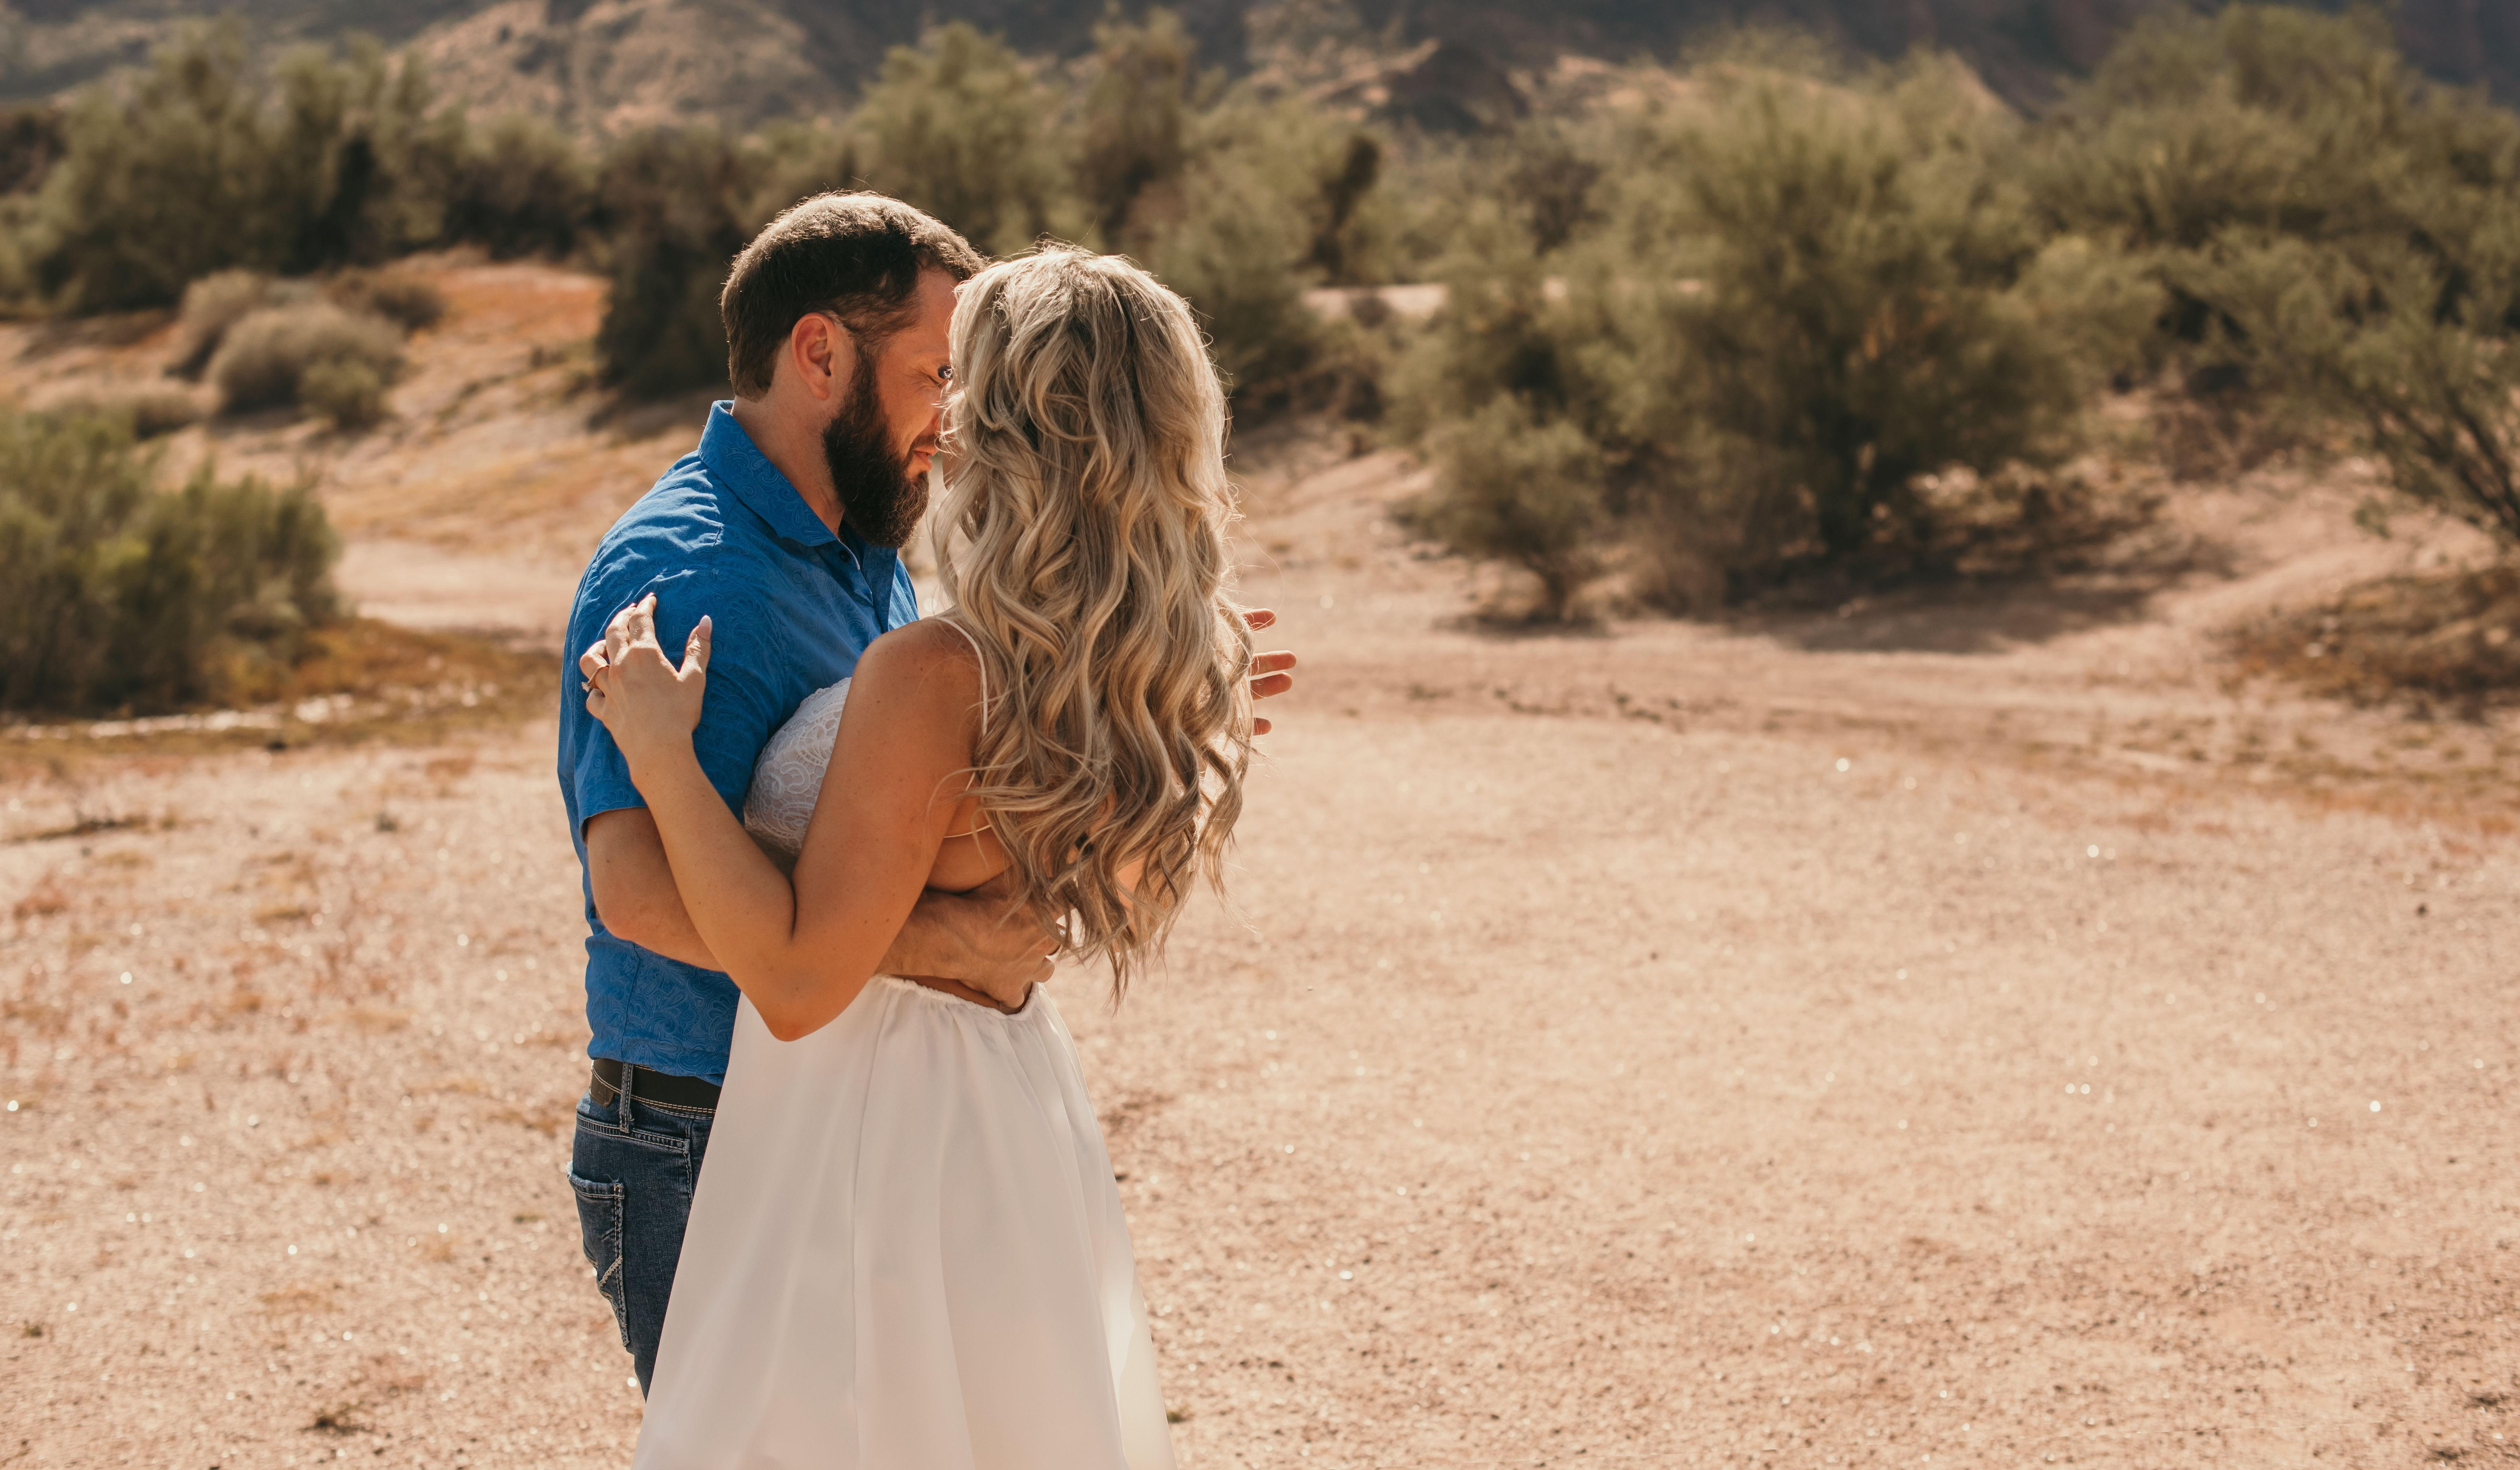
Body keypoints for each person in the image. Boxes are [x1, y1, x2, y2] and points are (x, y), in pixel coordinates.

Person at [555, 194, 1293, 1398]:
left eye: (964, 381)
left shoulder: (877, 561)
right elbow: (635, 890)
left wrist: (1130, 707)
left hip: (870, 1112)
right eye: (932, 374)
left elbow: (924, 822)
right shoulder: (689, 573)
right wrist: (939, 942)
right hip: (704, 1122)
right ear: (819, 355)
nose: (950, 417)